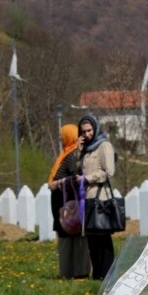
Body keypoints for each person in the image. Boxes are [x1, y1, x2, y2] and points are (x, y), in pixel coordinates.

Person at [48, 124, 90, 279]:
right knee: (66, 238)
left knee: (77, 237)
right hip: (63, 203)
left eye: (62, 136)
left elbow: (76, 175)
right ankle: (68, 272)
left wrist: (57, 184)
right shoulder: (65, 155)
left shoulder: (73, 155)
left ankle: (79, 272)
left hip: (71, 204)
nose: (60, 138)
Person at [77, 115, 116, 280]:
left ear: (95, 128)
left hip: (101, 196)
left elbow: (109, 171)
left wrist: (89, 178)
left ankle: (107, 273)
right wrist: (77, 151)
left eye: (89, 130)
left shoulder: (104, 145)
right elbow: (77, 170)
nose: (87, 134)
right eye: (83, 131)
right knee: (92, 237)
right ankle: (97, 274)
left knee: (102, 236)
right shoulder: (86, 149)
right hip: (87, 197)